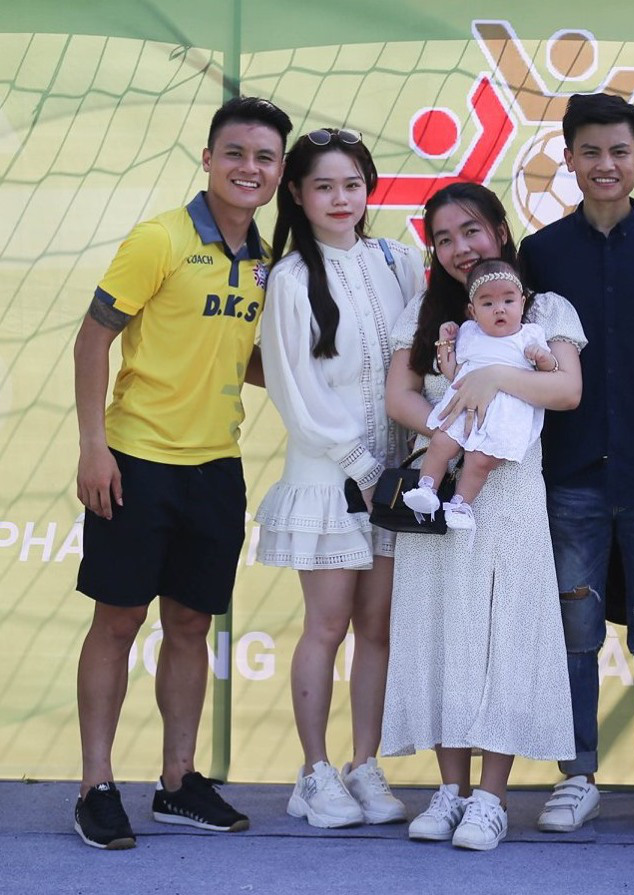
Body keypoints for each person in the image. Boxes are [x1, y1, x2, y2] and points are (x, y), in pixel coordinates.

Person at [71, 96, 292, 849]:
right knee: (118, 620)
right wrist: (93, 446)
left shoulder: (266, 261)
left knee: (192, 624)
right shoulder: (159, 238)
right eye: (235, 153)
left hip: (216, 467)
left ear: (279, 172)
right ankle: (96, 785)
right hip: (135, 461)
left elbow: (245, 358)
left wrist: (322, 386)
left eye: (264, 158)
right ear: (208, 159)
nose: (249, 168)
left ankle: (177, 781)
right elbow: (92, 340)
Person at [518, 92, 634, 836]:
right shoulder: (540, 254)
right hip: (570, 479)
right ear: (567, 159)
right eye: (590, 151)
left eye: (619, 151)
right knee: (575, 634)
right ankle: (577, 775)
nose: (605, 164)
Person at [380, 182, 585, 851]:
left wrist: (494, 380)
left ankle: (491, 799)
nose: (459, 248)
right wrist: (456, 432)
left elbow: (566, 388)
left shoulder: (543, 307)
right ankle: (450, 790)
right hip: (441, 491)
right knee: (441, 632)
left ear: (499, 229)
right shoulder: (428, 314)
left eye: (470, 230)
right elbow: (399, 396)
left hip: (513, 493)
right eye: (443, 238)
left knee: (505, 637)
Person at [253, 128, 424, 828]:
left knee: (377, 628)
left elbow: (421, 360)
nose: (340, 198)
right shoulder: (290, 279)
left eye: (352, 184)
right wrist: (362, 467)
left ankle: (364, 765)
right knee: (325, 626)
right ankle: (314, 773)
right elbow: (295, 391)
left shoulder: (400, 261)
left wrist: (412, 462)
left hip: (395, 481)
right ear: (296, 194)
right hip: (331, 479)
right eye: (323, 186)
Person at [402, 258, 558, 530]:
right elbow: (452, 371)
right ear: (473, 311)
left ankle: (461, 504)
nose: (499, 309)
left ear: (522, 303)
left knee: (480, 461)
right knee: (441, 443)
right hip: (464, 404)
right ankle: (427, 488)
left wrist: (544, 358)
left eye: (508, 301)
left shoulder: (529, 335)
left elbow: (551, 372)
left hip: (505, 414)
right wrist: (445, 342)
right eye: (488, 304)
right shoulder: (470, 333)